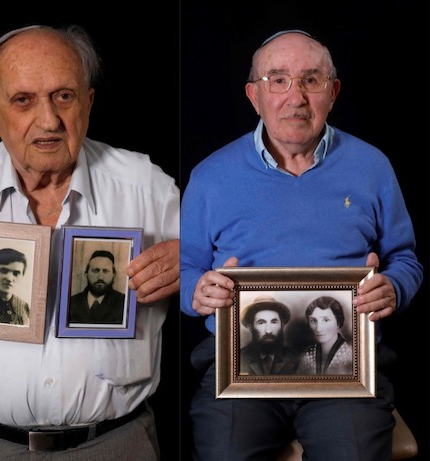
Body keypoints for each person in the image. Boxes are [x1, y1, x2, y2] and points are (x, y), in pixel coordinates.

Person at [0, 24, 180, 459]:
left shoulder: (151, 189)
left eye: (63, 96)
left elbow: (224, 277)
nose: (48, 121)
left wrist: (192, 258)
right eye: (23, 100)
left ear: (88, 102)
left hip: (116, 445)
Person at [180, 29, 423, 460]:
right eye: (278, 80)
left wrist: (394, 287)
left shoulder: (372, 166)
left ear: (333, 92)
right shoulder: (210, 176)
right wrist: (197, 291)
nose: (296, 97)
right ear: (254, 95)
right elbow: (185, 269)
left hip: (346, 373)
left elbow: (405, 258)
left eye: (311, 80)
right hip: (239, 373)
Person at [237, 296, 298, 375]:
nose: (268, 331)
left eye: (274, 322)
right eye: (261, 323)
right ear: (250, 327)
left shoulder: (295, 359)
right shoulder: (238, 358)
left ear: (282, 325)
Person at [67, 250, 126, 324]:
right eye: (95, 270)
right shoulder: (71, 303)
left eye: (105, 271)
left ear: (114, 275)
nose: (100, 277)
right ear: (86, 274)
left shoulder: (124, 303)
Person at [298, 296, 352, 375]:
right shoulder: (308, 356)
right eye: (313, 321)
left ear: (338, 322)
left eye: (326, 320)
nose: (319, 328)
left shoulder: (351, 354)